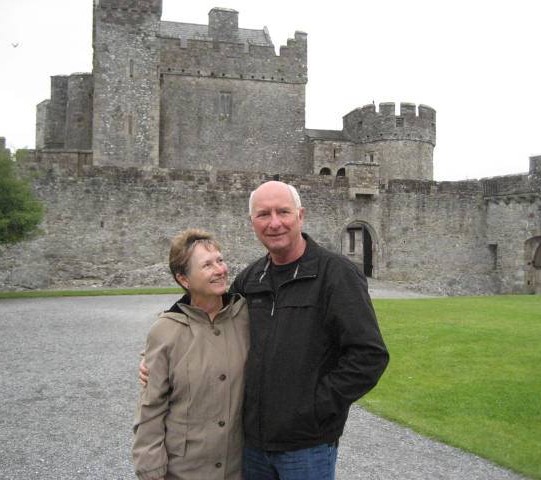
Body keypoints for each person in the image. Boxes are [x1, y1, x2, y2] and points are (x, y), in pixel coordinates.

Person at [141, 181, 389, 479]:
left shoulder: (335, 275)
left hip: (306, 446)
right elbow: (209, 313)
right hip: (251, 444)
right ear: (252, 222)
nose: (274, 223)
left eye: (283, 212)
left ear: (301, 216)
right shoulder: (251, 278)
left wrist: (315, 407)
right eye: (263, 215)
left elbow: (369, 356)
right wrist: (164, 344)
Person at [132, 228, 249, 480]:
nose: (220, 270)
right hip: (185, 471)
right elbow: (151, 407)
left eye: (220, 260)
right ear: (184, 279)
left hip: (239, 468)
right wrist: (151, 469)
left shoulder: (247, 318)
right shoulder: (165, 331)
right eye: (207, 265)